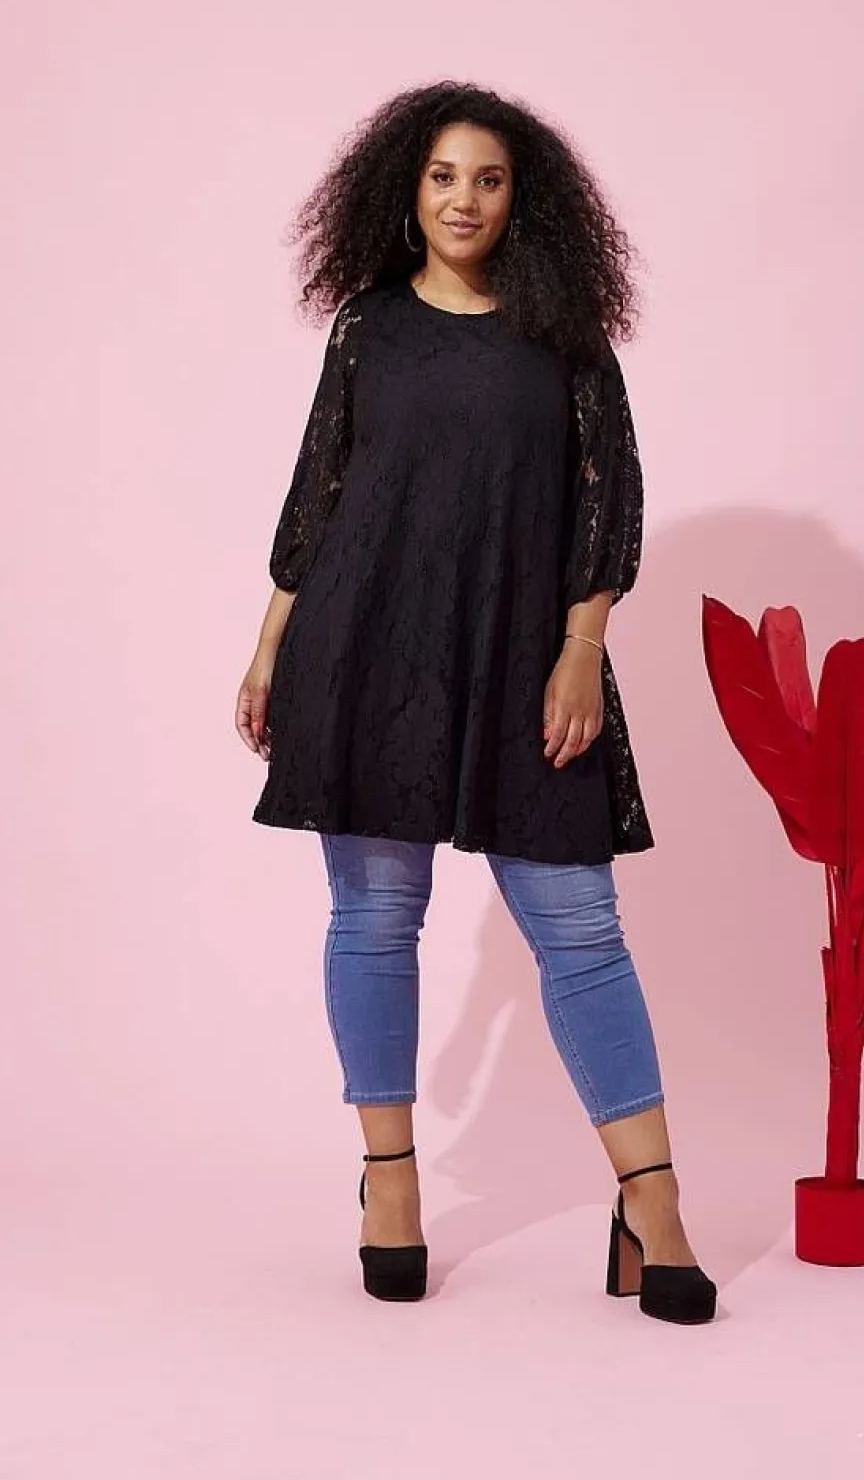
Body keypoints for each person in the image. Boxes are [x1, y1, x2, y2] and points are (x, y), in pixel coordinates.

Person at [235, 82, 716, 1325]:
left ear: (522, 199)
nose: (464, 199)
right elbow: (319, 491)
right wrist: (271, 645)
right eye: (443, 176)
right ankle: (390, 1180)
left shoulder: (564, 334)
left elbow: (609, 504)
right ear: (406, 188)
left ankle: (651, 1200)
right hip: (364, 642)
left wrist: (580, 646)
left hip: (521, 652)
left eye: (489, 180)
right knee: (373, 913)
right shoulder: (368, 326)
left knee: (581, 926)